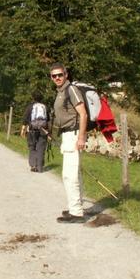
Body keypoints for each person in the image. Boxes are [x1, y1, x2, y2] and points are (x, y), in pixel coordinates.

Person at [50, 62, 88, 223]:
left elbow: (83, 114)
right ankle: (76, 206)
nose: (57, 78)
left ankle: (76, 213)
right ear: (51, 77)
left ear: (66, 75)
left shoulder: (71, 89)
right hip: (67, 135)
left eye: (60, 75)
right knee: (74, 174)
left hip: (74, 135)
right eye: (54, 76)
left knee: (69, 175)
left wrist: (81, 137)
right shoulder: (60, 92)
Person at [20, 91, 50, 173]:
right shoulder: (45, 107)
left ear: (32, 97)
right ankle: (40, 167)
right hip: (43, 129)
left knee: (32, 147)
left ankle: (33, 165)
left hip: (32, 129)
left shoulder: (30, 106)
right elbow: (48, 120)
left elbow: (25, 118)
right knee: (41, 147)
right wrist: (49, 132)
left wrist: (23, 130)